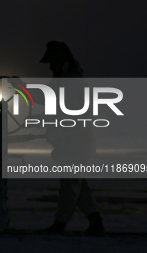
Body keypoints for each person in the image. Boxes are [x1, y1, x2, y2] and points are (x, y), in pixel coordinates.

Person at [37, 41, 105, 235]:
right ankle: (95, 221)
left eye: (52, 62)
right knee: (78, 184)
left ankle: (60, 223)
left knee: (69, 184)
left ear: (62, 62)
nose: (50, 67)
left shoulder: (71, 82)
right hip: (72, 142)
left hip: (75, 142)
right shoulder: (65, 80)